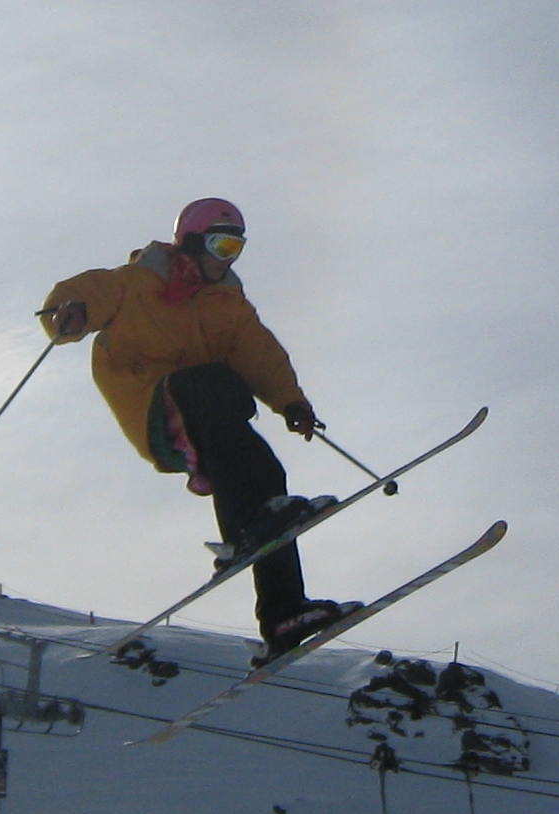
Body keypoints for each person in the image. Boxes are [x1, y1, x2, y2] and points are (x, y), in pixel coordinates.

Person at [42, 198, 343, 656]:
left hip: (208, 415)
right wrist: (69, 312)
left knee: (269, 480)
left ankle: (283, 613)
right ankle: (246, 529)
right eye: (220, 245)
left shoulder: (229, 306)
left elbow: (259, 353)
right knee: (216, 386)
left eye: (236, 249)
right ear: (191, 242)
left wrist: (290, 401)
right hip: (152, 403)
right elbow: (88, 292)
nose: (226, 259)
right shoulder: (139, 281)